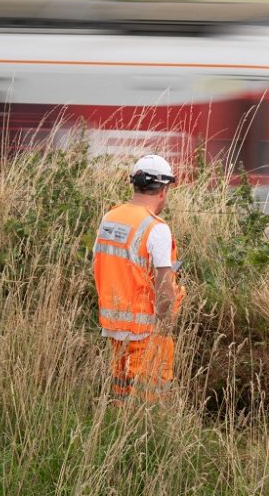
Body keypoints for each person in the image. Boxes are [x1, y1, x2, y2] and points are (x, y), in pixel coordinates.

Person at [93, 154, 185, 404]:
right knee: (148, 403)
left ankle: (116, 434)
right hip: (146, 329)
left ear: (134, 183)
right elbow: (164, 284)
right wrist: (166, 325)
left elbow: (99, 265)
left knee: (120, 395)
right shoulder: (157, 228)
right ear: (164, 190)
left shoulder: (109, 218)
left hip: (113, 325)